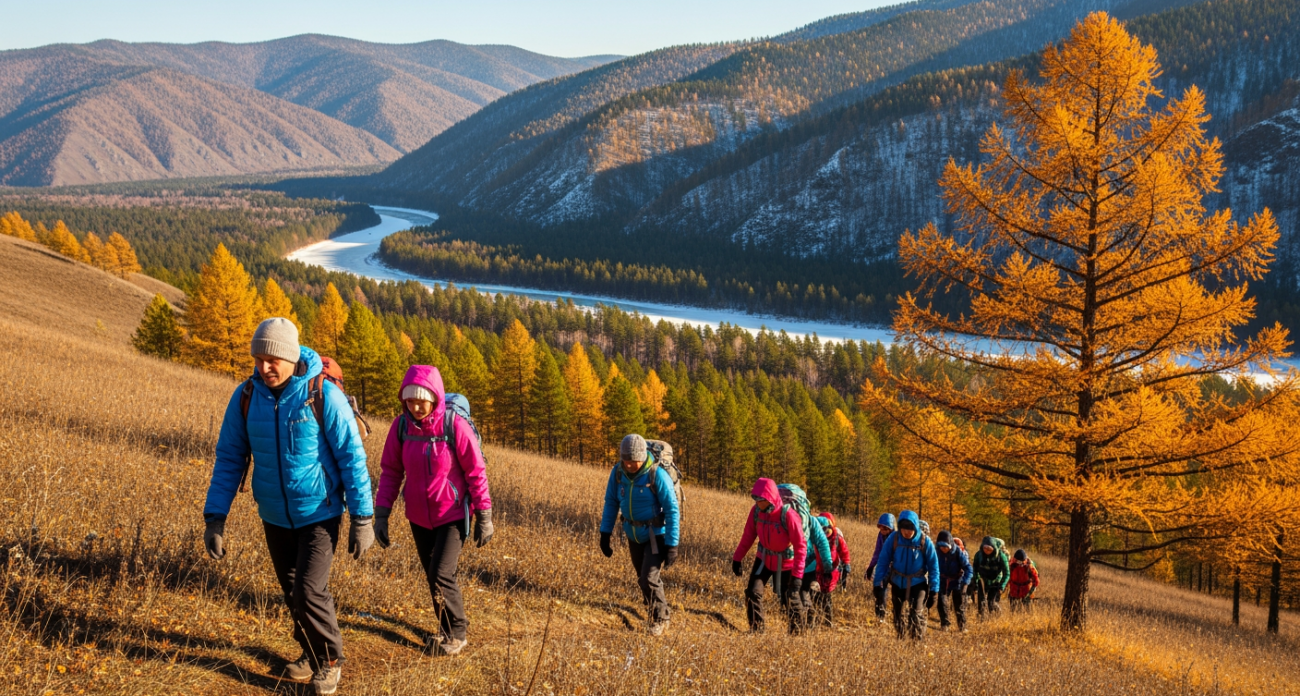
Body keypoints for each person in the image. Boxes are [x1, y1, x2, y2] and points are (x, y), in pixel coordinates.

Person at [203, 318, 373, 695]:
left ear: (291, 356)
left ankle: (329, 661)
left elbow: (351, 456)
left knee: (309, 592)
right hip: (275, 516)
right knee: (292, 592)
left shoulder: (320, 394)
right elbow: (230, 458)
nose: (264, 368)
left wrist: (363, 517)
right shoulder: (246, 397)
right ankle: (311, 653)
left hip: (320, 512)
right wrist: (215, 518)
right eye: (258, 359)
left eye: (272, 360)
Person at [373, 365, 493, 656]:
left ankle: (458, 632)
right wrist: (382, 514)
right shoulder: (401, 427)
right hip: (417, 516)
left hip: (451, 514)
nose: (415, 407)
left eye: (421, 401)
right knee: (431, 574)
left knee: (441, 573)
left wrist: (485, 516)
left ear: (435, 398)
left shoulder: (454, 426)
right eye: (409, 401)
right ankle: (445, 629)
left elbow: (476, 472)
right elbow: (391, 471)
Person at [599, 434, 681, 636]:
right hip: (633, 534)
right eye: (625, 460)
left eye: (633, 461)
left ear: (643, 456)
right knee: (642, 577)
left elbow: (672, 509)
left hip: (656, 536)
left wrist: (672, 545)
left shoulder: (656, 475)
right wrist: (605, 533)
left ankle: (660, 619)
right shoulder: (618, 473)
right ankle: (655, 609)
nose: (629, 465)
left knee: (648, 578)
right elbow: (611, 502)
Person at [732, 478, 808, 633]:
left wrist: (798, 576)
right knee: (753, 592)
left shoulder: (788, 516)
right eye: (755, 498)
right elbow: (748, 536)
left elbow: (801, 546)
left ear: (770, 498)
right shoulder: (756, 512)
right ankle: (756, 630)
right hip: (764, 558)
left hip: (787, 562)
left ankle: (797, 635)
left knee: (790, 599)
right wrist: (737, 558)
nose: (757, 503)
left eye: (760, 499)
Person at [873, 510, 939, 640]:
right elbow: (883, 561)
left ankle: (916, 642)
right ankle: (901, 639)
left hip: (918, 583)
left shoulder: (924, 541)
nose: (906, 532)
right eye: (903, 529)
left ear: (915, 527)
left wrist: (934, 591)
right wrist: (877, 583)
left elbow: (934, 566)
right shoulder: (894, 538)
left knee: (916, 615)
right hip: (897, 582)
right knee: (897, 615)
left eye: (910, 529)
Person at [807, 513, 850, 627]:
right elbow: (813, 552)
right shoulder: (816, 538)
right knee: (814, 594)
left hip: (832, 571)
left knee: (826, 595)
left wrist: (846, 564)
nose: (824, 531)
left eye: (827, 528)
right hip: (817, 570)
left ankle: (828, 620)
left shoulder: (837, 538)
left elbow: (844, 551)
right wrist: (806, 562)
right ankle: (815, 619)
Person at [934, 531, 972, 632]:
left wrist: (965, 582)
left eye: (946, 546)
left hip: (957, 580)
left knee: (959, 604)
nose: (943, 549)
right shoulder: (936, 551)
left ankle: (962, 626)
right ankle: (945, 624)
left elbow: (968, 568)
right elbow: (931, 565)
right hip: (943, 579)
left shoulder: (958, 552)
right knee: (941, 602)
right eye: (941, 546)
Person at [865, 513, 896, 624]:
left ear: (890, 527)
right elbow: (877, 552)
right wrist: (871, 567)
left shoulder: (896, 536)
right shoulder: (880, 536)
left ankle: (899, 616)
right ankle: (880, 616)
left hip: (895, 568)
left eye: (884, 528)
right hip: (883, 566)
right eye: (880, 527)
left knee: (898, 592)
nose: (882, 530)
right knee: (879, 589)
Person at [972, 536, 1010, 617]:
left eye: (989, 549)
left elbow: (1007, 573)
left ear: (994, 548)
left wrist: (1002, 586)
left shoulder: (1001, 556)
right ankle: (982, 618)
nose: (986, 550)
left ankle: (997, 615)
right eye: (985, 548)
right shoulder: (978, 555)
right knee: (981, 601)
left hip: (996, 579)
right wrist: (975, 581)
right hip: (982, 579)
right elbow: (974, 568)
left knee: (991, 602)